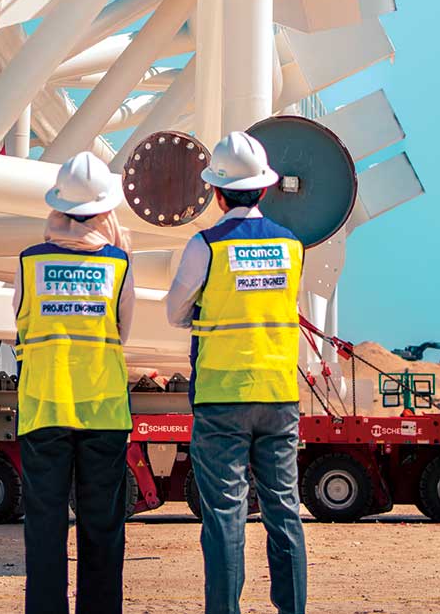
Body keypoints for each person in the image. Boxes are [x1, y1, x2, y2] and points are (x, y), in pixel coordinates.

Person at [163, 130, 306, 614]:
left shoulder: (206, 245)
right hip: (279, 393)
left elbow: (175, 311)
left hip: (222, 396)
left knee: (225, 513)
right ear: (264, 188)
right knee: (284, 511)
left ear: (217, 192)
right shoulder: (292, 247)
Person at [12, 151, 137, 614]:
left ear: (58, 207)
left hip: (44, 408)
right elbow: (122, 332)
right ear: (104, 210)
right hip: (102, 410)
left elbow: (21, 324)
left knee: (44, 527)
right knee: (102, 527)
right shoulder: (119, 265)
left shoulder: (29, 263)